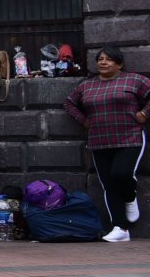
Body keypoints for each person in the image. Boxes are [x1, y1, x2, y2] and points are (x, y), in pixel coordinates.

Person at [64, 47, 150, 242]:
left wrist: (144, 114)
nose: (103, 62)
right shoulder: (87, 86)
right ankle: (120, 228)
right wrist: (84, 120)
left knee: (122, 174)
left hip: (129, 137)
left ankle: (130, 196)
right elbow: (69, 103)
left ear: (119, 64)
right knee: (109, 184)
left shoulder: (134, 80)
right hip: (99, 140)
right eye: (100, 59)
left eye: (109, 59)